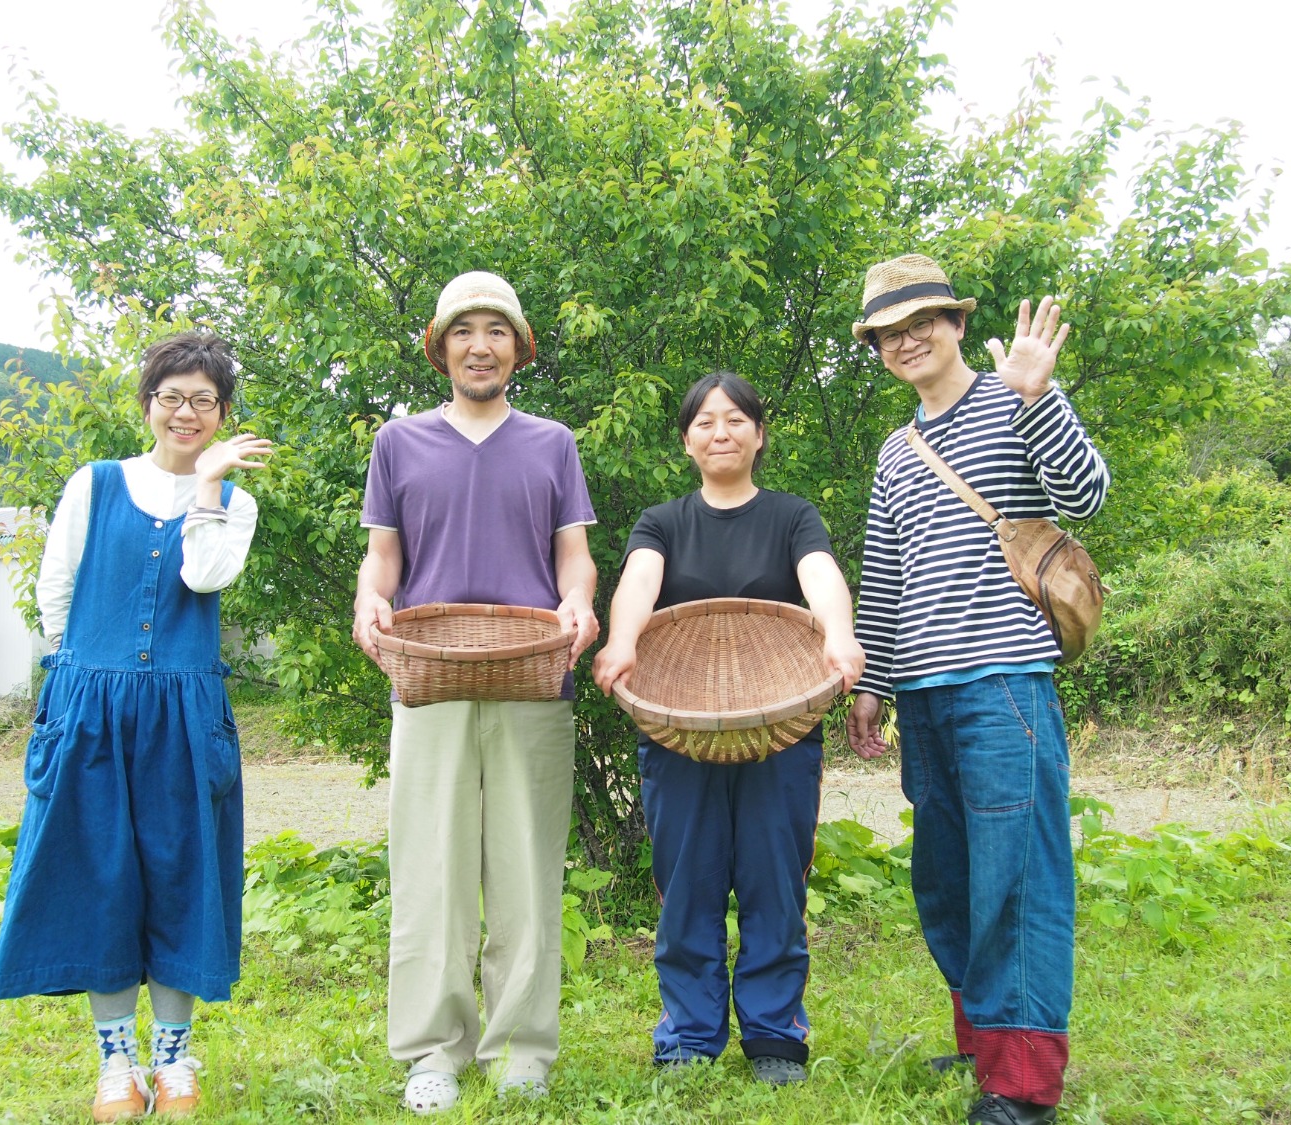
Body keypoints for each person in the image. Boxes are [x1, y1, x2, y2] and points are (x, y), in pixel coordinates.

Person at [845, 254, 1110, 1125]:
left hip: (1004, 681)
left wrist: (1039, 394)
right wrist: (874, 683)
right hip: (923, 693)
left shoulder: (1011, 400)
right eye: (889, 330)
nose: (907, 338)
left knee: (1019, 876)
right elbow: (885, 572)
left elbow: (1086, 493)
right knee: (949, 877)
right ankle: (981, 1040)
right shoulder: (896, 448)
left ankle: (1024, 1082)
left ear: (956, 322)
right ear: (878, 349)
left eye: (922, 319)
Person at [0, 332, 272, 1122]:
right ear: (148, 403)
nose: (187, 412)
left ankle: (174, 1058)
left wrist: (207, 488)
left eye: (205, 401)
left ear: (221, 414)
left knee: (184, 877)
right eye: (173, 396)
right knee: (98, 879)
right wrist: (82, 680)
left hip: (185, 717)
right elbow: (57, 589)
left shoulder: (232, 498)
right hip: (92, 711)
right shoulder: (95, 483)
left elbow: (204, 574)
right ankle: (118, 1062)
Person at [352, 271, 599, 1115]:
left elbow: (574, 552)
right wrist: (369, 600)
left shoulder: (551, 441)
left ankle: (522, 1045)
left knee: (527, 866)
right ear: (441, 347)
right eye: (464, 331)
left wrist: (580, 601)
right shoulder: (399, 442)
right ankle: (431, 1049)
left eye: (497, 330)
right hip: (427, 678)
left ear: (518, 349)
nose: (481, 345)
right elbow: (384, 556)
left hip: (536, 671)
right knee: (430, 868)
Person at [592, 372, 865, 1086]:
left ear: (759, 433)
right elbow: (638, 584)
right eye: (706, 422)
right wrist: (622, 642)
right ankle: (688, 1032)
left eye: (736, 419)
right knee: (686, 881)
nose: (722, 432)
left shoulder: (791, 515)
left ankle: (776, 1034)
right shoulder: (663, 520)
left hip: (781, 727)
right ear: (686, 441)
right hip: (677, 730)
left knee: (777, 878)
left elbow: (823, 575)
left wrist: (839, 635)